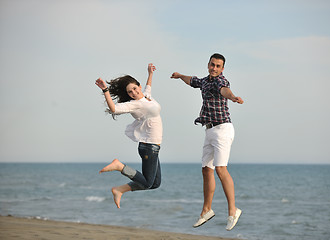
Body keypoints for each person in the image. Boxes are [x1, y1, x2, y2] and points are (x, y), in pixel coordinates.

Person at [171, 53, 244, 231]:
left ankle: (233, 211)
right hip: (209, 130)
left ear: (222, 69)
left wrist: (233, 97)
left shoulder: (221, 81)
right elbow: (192, 80)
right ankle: (207, 210)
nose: (214, 68)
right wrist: (180, 76)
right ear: (208, 64)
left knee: (220, 169)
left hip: (223, 129)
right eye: (212, 65)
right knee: (206, 170)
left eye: (218, 66)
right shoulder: (204, 81)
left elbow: (224, 91)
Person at [95, 63, 162, 209]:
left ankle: (120, 190)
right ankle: (120, 166)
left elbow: (148, 88)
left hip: (154, 146)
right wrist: (105, 90)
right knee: (147, 182)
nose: (133, 92)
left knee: (155, 184)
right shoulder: (134, 104)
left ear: (138, 86)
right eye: (130, 92)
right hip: (148, 146)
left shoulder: (147, 97)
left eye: (134, 89)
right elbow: (114, 109)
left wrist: (150, 73)